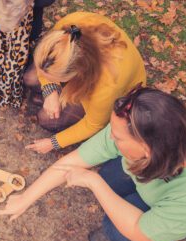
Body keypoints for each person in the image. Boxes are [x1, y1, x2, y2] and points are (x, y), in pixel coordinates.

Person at [0, 87, 186, 241]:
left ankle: (113, 237)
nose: (112, 138)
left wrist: (94, 182)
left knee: (121, 229)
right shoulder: (157, 127)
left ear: (147, 150)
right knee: (112, 178)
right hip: (157, 172)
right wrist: (26, 198)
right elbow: (71, 163)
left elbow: (140, 229)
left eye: (118, 138)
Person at [23, 12, 146, 154]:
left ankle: (55, 100)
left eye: (54, 77)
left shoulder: (108, 84)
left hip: (103, 89)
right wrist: (50, 90)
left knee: (46, 119)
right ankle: (52, 97)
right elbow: (44, 67)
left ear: (76, 74)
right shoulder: (67, 31)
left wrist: (54, 142)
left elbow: (93, 124)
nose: (47, 78)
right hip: (82, 74)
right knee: (30, 78)